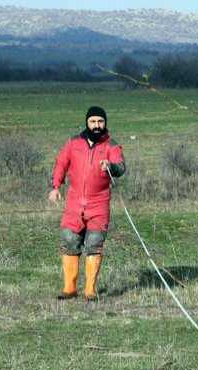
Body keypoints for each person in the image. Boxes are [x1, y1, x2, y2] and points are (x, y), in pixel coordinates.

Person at [49, 106, 126, 301]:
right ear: (87, 123)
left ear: (105, 123)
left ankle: (90, 290)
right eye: (93, 122)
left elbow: (121, 167)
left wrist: (111, 166)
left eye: (100, 121)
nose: (97, 125)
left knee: (94, 244)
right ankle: (69, 288)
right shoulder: (73, 143)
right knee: (68, 241)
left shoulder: (112, 145)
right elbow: (61, 163)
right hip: (74, 203)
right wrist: (56, 186)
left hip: (99, 204)